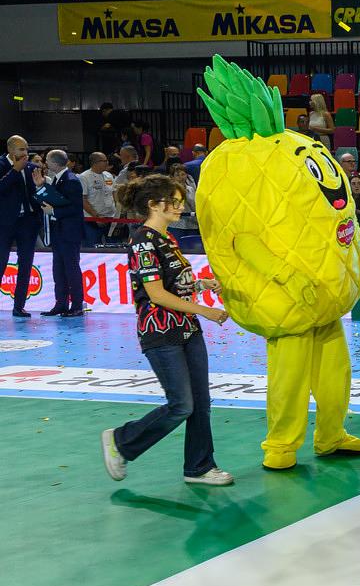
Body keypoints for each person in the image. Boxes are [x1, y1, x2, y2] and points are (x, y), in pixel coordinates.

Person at [100, 174, 233, 486]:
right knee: (181, 405)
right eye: (172, 201)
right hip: (160, 332)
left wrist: (200, 284)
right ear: (153, 205)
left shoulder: (168, 239)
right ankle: (122, 441)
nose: (179, 206)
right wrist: (206, 311)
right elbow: (156, 295)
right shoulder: (142, 241)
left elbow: (173, 284)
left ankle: (199, 467)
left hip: (188, 329)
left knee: (200, 403)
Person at [33, 151, 86, 317]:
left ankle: (77, 305)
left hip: (69, 234)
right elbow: (55, 198)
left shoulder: (71, 181)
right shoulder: (59, 179)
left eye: (47, 161)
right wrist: (41, 187)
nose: (45, 164)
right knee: (59, 270)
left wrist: (54, 211)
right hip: (59, 233)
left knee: (71, 269)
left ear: (55, 163)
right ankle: (61, 304)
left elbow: (75, 208)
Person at [1, 136, 43, 318]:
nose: (25, 153)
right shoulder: (2, 165)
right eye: (21, 149)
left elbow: (38, 195)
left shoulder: (32, 168)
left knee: (26, 265)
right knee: (1, 263)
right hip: (4, 224)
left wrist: (41, 187)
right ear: (10, 150)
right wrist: (14, 171)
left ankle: (19, 306)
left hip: (28, 222)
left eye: (26, 148)